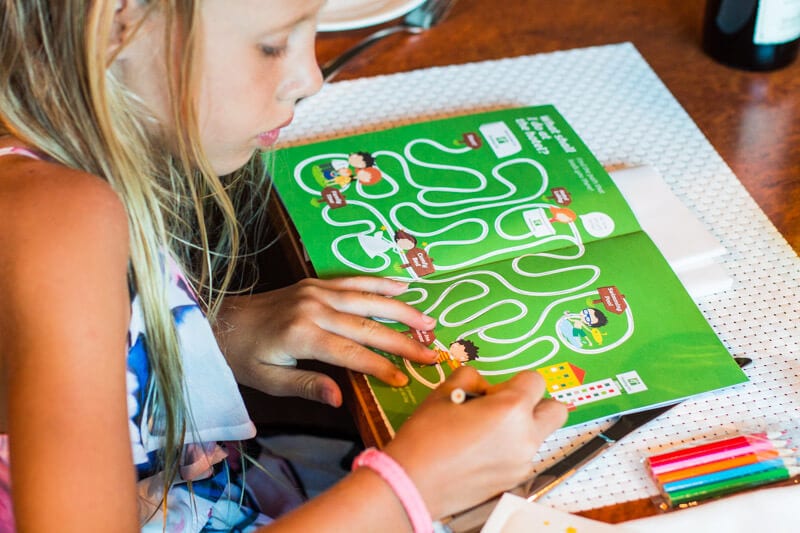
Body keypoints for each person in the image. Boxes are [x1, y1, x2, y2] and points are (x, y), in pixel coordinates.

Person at [0, 1, 568, 531]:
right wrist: (412, 489)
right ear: (120, 18)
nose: (311, 78)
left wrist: (201, 339)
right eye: (273, 45)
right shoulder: (60, 220)